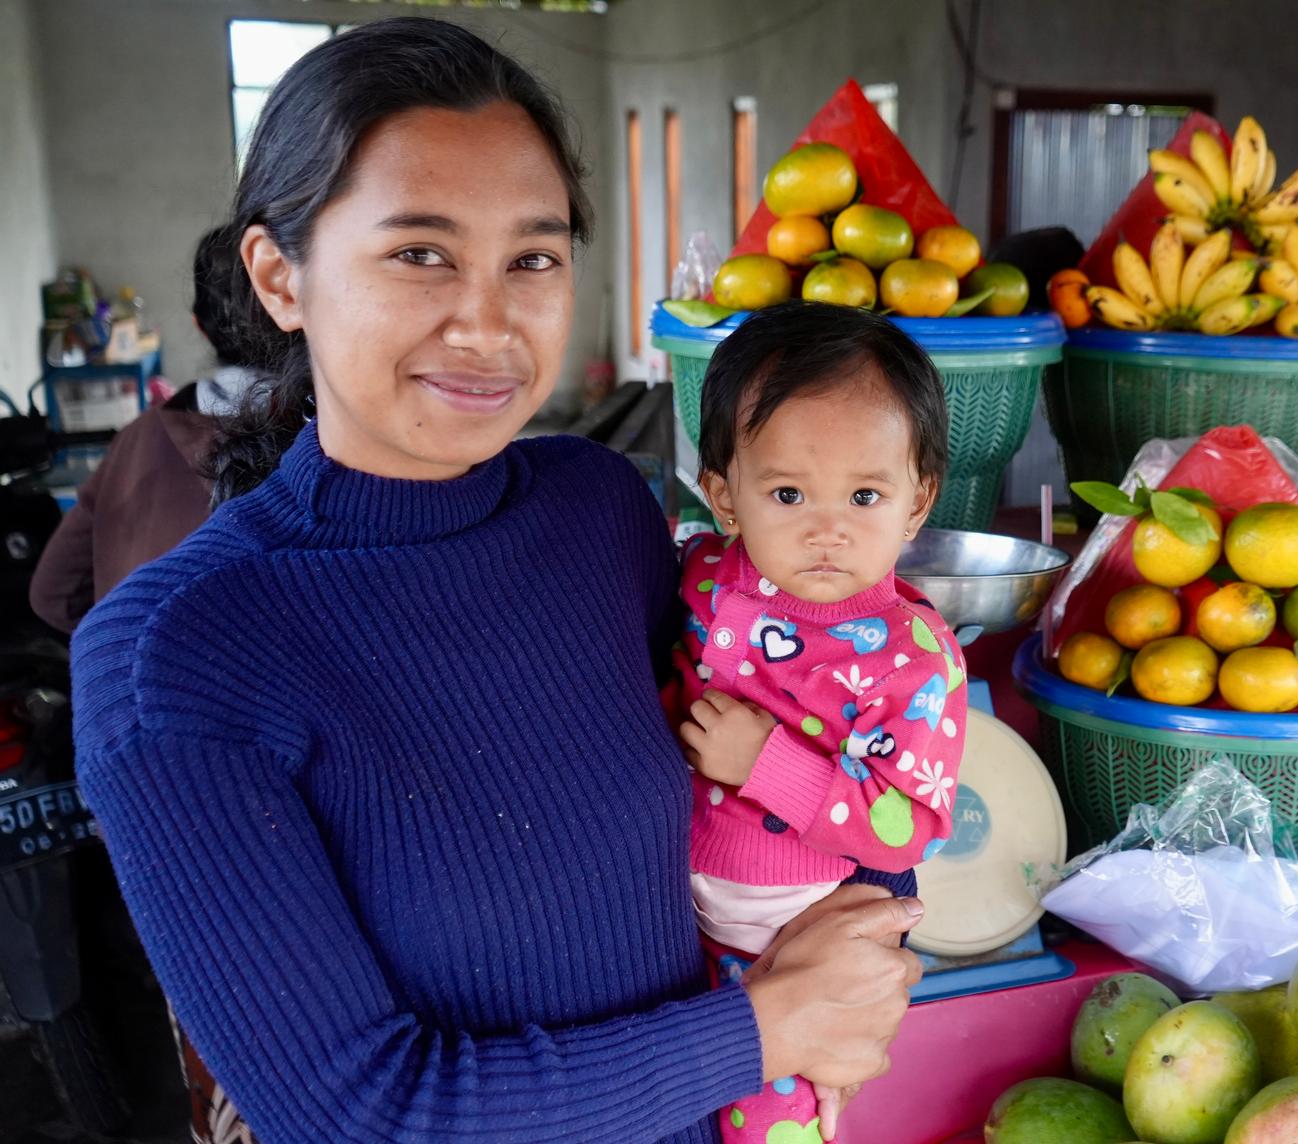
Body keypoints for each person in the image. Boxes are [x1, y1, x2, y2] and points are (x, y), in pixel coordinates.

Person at [70, 18, 919, 1144]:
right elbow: (360, 1114)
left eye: (532, 256)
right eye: (420, 253)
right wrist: (768, 1029)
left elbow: (811, 710)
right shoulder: (177, 658)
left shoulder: (599, 511)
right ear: (279, 276)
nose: (486, 323)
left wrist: (869, 946)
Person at [663, 302, 966, 1140]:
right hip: (667, 915)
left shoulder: (914, 659)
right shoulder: (699, 573)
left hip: (796, 933)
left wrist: (767, 763)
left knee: (778, 1116)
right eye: (788, 492)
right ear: (724, 495)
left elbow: (910, 826)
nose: (828, 529)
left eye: (866, 494)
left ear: (916, 503)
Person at [28, 228, 264, 632]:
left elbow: (53, 593)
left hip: (130, 688)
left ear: (199, 327)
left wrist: (126, 649)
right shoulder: (325, 443)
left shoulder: (137, 437)